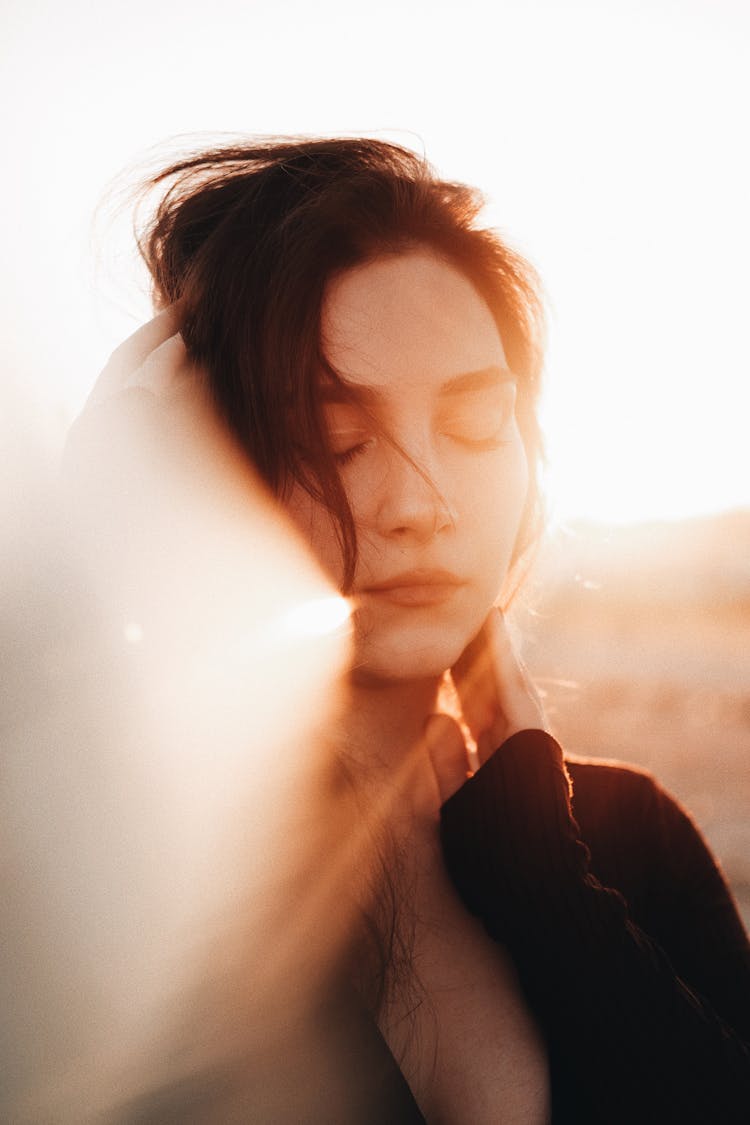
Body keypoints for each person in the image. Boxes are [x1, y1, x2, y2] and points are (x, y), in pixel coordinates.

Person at [78, 137, 750, 1123]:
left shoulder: (624, 839)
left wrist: (543, 869)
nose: (422, 504)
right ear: (210, 469)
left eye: (478, 426)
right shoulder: (129, 873)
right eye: (338, 441)